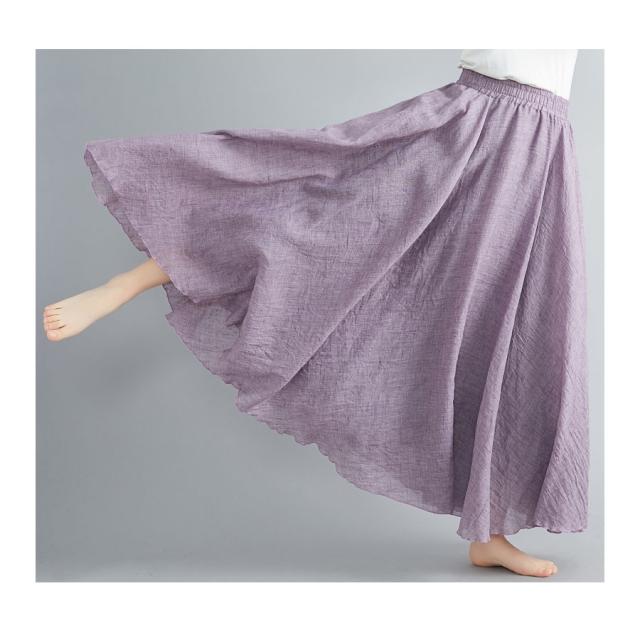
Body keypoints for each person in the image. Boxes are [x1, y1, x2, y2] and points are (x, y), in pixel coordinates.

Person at [43, 50, 588, 578]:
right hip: (477, 126)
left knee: (508, 325)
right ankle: (128, 282)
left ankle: (488, 534)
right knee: (318, 222)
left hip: (541, 149)